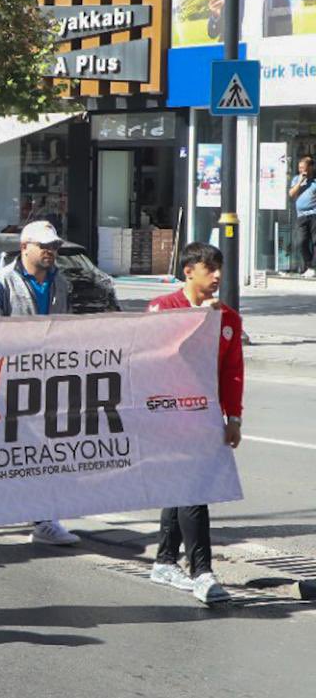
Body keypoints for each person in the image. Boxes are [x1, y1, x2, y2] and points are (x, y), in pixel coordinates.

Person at [146, 242, 245, 605]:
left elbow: (232, 371)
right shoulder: (162, 309)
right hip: (167, 415)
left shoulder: (228, 318)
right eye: (209, 269)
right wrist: (199, 321)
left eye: (219, 268)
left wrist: (233, 417)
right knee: (193, 487)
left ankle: (164, 561)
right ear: (188, 271)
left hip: (204, 416)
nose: (217, 276)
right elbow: (154, 358)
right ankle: (202, 572)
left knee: (183, 485)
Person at [0, 220, 81, 548]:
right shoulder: (0, 283)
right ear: (25, 247)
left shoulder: (60, 282)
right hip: (11, 382)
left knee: (46, 451)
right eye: (44, 245)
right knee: (10, 451)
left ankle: (44, 519)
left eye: (54, 246)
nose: (51, 251)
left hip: (49, 381)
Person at [289, 156, 316, 278]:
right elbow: (291, 194)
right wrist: (300, 181)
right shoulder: (296, 179)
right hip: (301, 216)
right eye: (299, 168)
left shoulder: (314, 181)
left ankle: (313, 267)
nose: (301, 170)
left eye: (303, 167)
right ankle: (309, 265)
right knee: (301, 242)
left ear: (310, 168)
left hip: (314, 215)